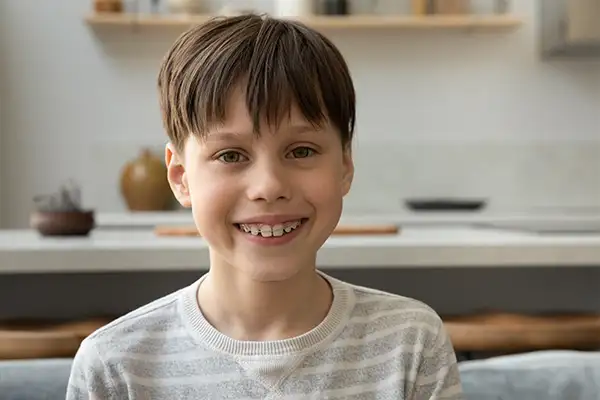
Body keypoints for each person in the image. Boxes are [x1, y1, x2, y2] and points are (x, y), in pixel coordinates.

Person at [66, 13, 464, 399]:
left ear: (345, 167)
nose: (269, 187)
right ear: (180, 177)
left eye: (301, 150)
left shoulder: (411, 344)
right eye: (231, 155)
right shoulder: (116, 364)